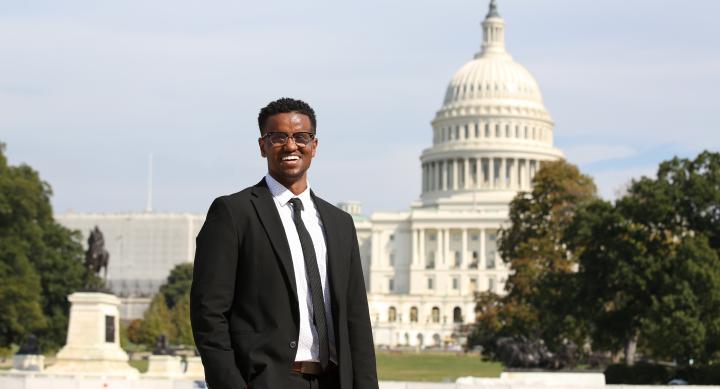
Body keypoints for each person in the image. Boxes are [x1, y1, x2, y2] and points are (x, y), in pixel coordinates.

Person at [190, 97, 379, 389]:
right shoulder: (234, 213)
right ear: (262, 146)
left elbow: (356, 320)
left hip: (333, 380)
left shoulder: (340, 223)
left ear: (314, 146)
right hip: (267, 381)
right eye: (279, 137)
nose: (291, 146)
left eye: (301, 137)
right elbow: (208, 314)